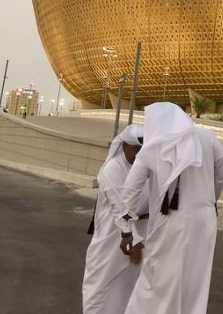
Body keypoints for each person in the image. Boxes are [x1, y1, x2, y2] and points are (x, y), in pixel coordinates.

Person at [117, 102, 223, 314]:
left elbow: (129, 190)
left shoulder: (153, 146)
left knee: (157, 279)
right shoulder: (208, 138)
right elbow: (222, 176)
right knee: (195, 280)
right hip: (204, 221)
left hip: (170, 222)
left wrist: (126, 229)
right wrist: (208, 200)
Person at [82, 125, 148, 314]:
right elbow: (120, 207)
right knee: (98, 286)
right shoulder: (112, 169)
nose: (138, 155)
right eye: (136, 149)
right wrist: (132, 238)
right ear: (124, 146)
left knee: (126, 288)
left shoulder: (141, 168)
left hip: (137, 234)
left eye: (143, 151)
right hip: (114, 236)